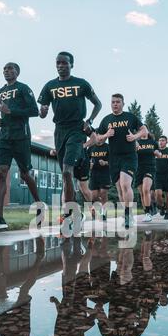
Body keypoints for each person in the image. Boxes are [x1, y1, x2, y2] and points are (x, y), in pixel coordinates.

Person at [38, 52, 102, 232]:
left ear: (71, 64)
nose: (60, 66)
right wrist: (43, 110)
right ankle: (75, 213)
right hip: (59, 130)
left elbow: (98, 104)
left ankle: (70, 214)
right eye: (57, 63)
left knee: (67, 171)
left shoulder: (81, 83)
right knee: (65, 176)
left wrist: (89, 121)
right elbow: (42, 112)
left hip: (77, 130)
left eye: (64, 63)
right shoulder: (50, 86)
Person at [0, 62, 42, 231]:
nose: (7, 71)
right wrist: (1, 121)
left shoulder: (23, 88)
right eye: (4, 69)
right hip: (4, 137)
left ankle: (39, 206)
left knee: (25, 174)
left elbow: (34, 111)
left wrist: (12, 112)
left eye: (10, 69)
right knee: (1, 172)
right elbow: (5, 113)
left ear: (17, 72)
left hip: (21, 136)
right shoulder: (1, 91)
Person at [95, 94, 147, 229]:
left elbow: (144, 130)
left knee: (125, 184)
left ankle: (129, 214)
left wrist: (135, 136)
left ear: (123, 103)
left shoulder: (130, 117)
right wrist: (106, 135)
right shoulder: (106, 120)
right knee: (119, 188)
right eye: (113, 102)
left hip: (129, 156)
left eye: (118, 102)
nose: (115, 104)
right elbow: (97, 139)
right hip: (114, 158)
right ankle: (126, 212)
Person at [135, 129, 161, 223]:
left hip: (150, 168)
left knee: (146, 190)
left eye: (144, 129)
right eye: (140, 129)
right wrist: (134, 148)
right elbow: (131, 154)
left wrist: (158, 154)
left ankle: (148, 213)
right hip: (138, 169)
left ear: (147, 131)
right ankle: (146, 211)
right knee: (142, 193)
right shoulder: (136, 142)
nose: (143, 131)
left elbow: (159, 153)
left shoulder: (153, 142)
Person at [88, 141, 110, 221]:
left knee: (103, 193)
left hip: (105, 174)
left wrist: (105, 162)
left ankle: (104, 214)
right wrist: (89, 165)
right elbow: (87, 160)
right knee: (94, 196)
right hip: (94, 174)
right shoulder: (91, 148)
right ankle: (98, 209)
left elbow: (114, 161)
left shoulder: (107, 147)